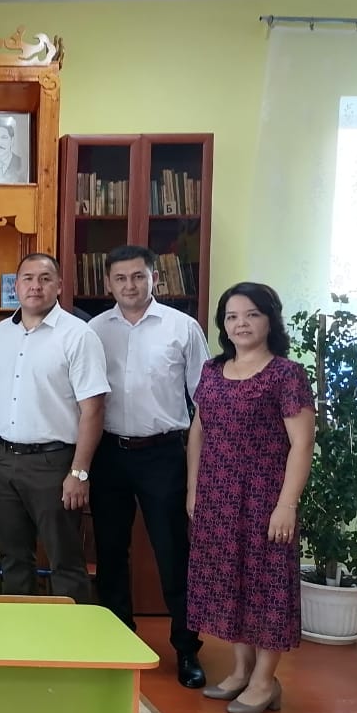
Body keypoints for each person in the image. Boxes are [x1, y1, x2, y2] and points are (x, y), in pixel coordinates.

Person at [187, 282, 315, 713]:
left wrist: (287, 504)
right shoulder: (211, 370)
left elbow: (302, 444)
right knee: (228, 583)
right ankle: (241, 670)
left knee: (266, 586)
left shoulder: (286, 374)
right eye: (231, 316)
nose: (241, 323)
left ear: (270, 320)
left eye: (251, 314)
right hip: (217, 497)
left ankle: (265, 681)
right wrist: (193, 490)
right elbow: (198, 432)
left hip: (265, 498)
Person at [89, 245, 211, 688]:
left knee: (173, 551)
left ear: (154, 278)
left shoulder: (183, 328)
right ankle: (119, 639)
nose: (130, 285)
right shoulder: (94, 331)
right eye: (121, 278)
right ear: (108, 283)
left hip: (164, 454)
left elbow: (205, 400)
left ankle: (187, 648)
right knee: (110, 552)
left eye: (138, 276)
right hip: (108, 453)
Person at [0, 253, 107, 602]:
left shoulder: (78, 335)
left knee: (65, 562)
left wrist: (79, 472)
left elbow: (94, 408)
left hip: (55, 465)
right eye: (28, 278)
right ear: (16, 286)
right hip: (3, 460)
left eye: (45, 278)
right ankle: (17, 634)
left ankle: (71, 637)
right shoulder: (0, 333)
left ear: (60, 285)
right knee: (13, 560)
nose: (35, 286)